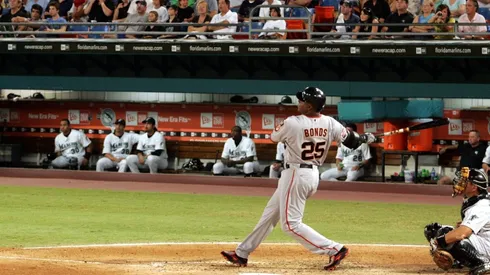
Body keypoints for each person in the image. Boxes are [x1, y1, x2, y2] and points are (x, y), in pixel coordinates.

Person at [220, 87, 375, 271]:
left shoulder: (293, 122)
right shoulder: (330, 122)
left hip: (295, 174)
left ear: (309, 106)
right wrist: (366, 137)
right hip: (310, 175)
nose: (299, 103)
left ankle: (334, 249)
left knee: (291, 225)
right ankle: (242, 253)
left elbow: (273, 137)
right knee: (269, 216)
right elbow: (352, 140)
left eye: (302, 101)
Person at [423, 167, 490, 275]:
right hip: (484, 239)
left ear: (474, 187)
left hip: (487, 246)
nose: (460, 182)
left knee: (448, 235)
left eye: (465, 181)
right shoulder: (477, 199)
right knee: (433, 230)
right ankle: (460, 260)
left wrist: (439, 242)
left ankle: (482, 262)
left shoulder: (481, 206)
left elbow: (462, 233)